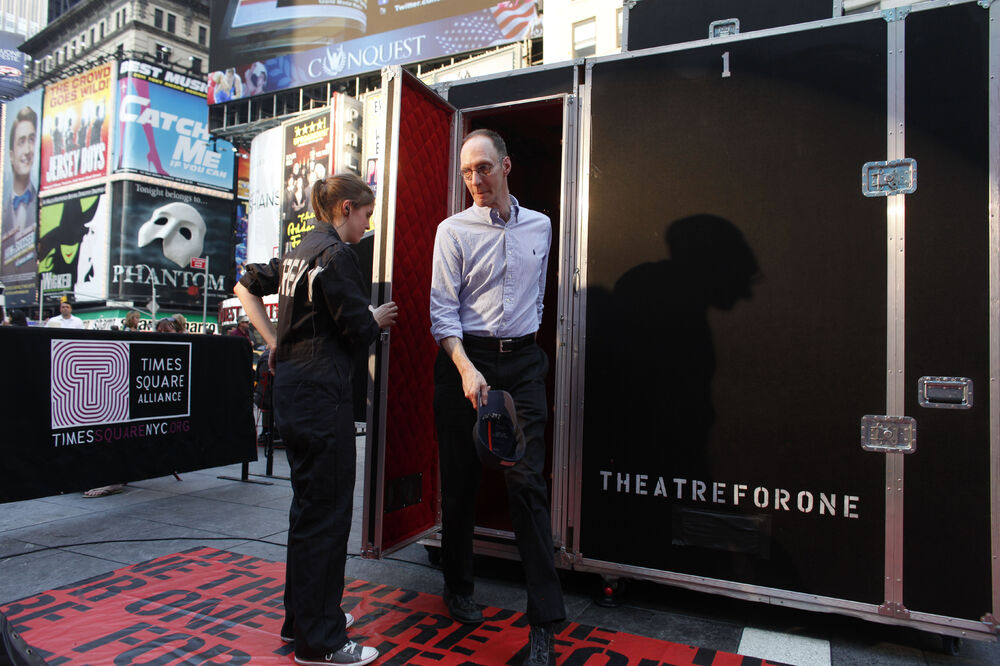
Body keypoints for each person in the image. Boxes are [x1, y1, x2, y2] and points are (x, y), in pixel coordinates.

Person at [235, 173, 397, 666]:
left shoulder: (296, 250)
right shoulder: (336, 255)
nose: (368, 226)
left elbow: (244, 285)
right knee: (326, 515)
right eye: (367, 215)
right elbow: (357, 328)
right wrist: (379, 317)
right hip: (321, 395)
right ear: (346, 208)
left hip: (294, 392)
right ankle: (320, 640)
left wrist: (272, 344)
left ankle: (306, 617)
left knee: (308, 511)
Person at [429, 129, 565, 666]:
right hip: (465, 359)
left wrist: (521, 358)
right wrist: (465, 368)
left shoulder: (541, 226)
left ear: (507, 167)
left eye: (483, 168)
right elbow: (442, 311)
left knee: (527, 483)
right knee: (460, 484)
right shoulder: (452, 230)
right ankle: (458, 587)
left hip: (524, 362)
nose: (475, 180)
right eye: (467, 172)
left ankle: (544, 626)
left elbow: (538, 297)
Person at [3, 107, 38, 246]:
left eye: (31, 140)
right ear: (11, 155)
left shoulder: (41, 201)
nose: (28, 150)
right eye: (21, 142)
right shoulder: (3, 211)